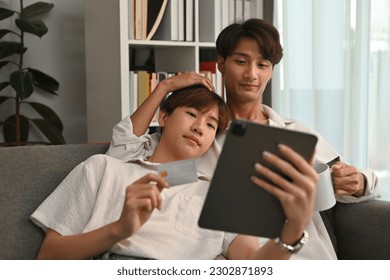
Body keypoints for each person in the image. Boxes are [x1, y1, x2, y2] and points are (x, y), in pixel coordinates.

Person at [106, 18, 380, 259]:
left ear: (271, 72)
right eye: (241, 61)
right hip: (237, 256)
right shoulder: (194, 137)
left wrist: (358, 181)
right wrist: (164, 86)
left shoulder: (293, 132)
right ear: (221, 64)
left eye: (263, 64)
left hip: (306, 256)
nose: (252, 74)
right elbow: (124, 154)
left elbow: (365, 182)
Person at [31, 86, 318, 260]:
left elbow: (253, 265)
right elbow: (48, 257)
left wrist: (292, 231)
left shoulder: (221, 194)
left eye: (210, 125)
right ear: (164, 117)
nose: (198, 128)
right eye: (192, 114)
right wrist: (119, 229)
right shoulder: (103, 169)